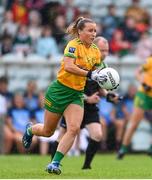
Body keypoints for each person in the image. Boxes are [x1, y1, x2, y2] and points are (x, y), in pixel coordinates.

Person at [22, 17, 107, 175]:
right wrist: (90, 74)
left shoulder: (95, 50)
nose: (93, 33)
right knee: (48, 131)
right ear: (80, 32)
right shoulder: (73, 45)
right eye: (90, 30)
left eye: (95, 30)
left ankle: (55, 163)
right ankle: (30, 130)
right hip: (59, 91)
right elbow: (68, 66)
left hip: (76, 94)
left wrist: (106, 79)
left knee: (73, 129)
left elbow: (98, 73)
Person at [50, 36, 121, 169]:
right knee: (63, 134)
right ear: (94, 49)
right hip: (75, 103)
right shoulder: (83, 64)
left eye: (107, 50)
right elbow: (72, 87)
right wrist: (87, 98)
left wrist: (109, 96)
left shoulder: (104, 67)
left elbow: (100, 89)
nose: (104, 54)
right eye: (102, 50)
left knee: (98, 134)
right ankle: (53, 163)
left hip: (90, 107)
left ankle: (87, 166)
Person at [117, 55, 152, 159]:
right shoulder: (150, 61)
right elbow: (137, 72)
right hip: (144, 94)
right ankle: (123, 149)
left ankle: (150, 148)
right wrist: (143, 83)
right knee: (134, 123)